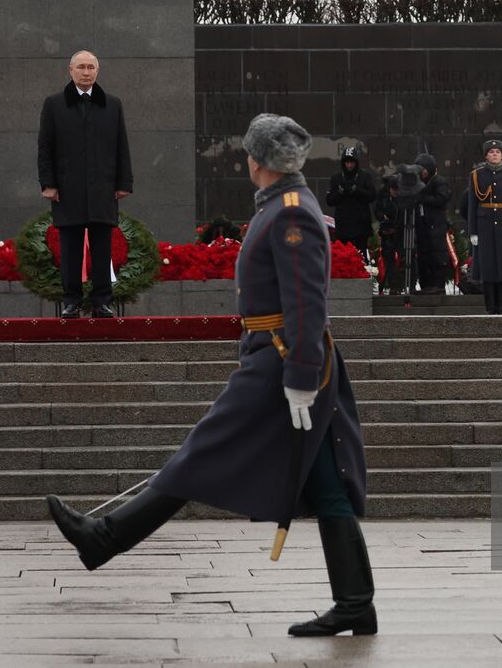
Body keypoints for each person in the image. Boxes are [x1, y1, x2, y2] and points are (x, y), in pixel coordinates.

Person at [45, 113, 376, 637]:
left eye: (249, 152)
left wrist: (301, 374)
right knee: (324, 479)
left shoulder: (291, 213)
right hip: (273, 356)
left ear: (260, 161)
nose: (245, 160)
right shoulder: (277, 206)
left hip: (281, 362)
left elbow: (307, 302)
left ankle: (104, 537)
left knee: (201, 453)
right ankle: (356, 603)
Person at [37, 50, 133, 319]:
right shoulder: (54, 104)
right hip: (68, 190)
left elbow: (121, 145)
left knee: (103, 247)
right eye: (81, 67)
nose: (86, 72)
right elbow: (45, 147)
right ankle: (72, 302)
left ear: (98, 71)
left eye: (91, 67)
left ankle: (102, 301)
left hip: (103, 187)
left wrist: (123, 182)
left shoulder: (112, 104)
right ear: (70, 70)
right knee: (70, 248)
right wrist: (49, 184)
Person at [466, 140, 502, 314]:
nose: (495, 154)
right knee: (488, 266)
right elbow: (472, 205)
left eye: (498, 151)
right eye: (491, 152)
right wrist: (473, 231)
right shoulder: (476, 175)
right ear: (486, 155)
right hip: (485, 224)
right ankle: (490, 308)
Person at [325, 146, 376, 261]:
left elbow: (372, 195)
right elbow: (329, 200)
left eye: (352, 162)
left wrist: (357, 190)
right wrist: (340, 192)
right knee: (343, 258)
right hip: (343, 226)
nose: (349, 165)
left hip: (361, 226)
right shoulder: (336, 178)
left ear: (356, 163)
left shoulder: (365, 177)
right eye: (347, 162)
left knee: (362, 257)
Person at [413, 154, 453, 294]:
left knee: (437, 254)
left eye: (423, 168)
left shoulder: (439, 182)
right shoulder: (418, 183)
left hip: (436, 224)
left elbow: (442, 198)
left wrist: (423, 198)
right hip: (422, 225)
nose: (421, 172)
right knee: (424, 256)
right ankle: (426, 284)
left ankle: (438, 284)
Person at [374, 175, 403, 294]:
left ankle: (401, 284)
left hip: (399, 231)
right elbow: (377, 210)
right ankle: (392, 285)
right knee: (389, 259)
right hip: (387, 231)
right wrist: (382, 217)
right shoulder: (383, 194)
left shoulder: (401, 197)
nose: (395, 192)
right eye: (393, 190)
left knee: (402, 258)